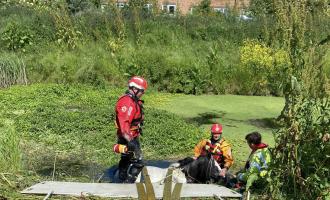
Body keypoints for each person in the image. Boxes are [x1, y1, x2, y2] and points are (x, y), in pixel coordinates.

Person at [113, 76, 147, 183]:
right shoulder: (127, 103)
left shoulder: (133, 100)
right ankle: (128, 183)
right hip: (127, 137)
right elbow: (124, 128)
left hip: (132, 135)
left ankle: (122, 178)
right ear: (135, 89)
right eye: (142, 91)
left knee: (127, 158)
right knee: (138, 161)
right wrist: (131, 141)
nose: (143, 93)